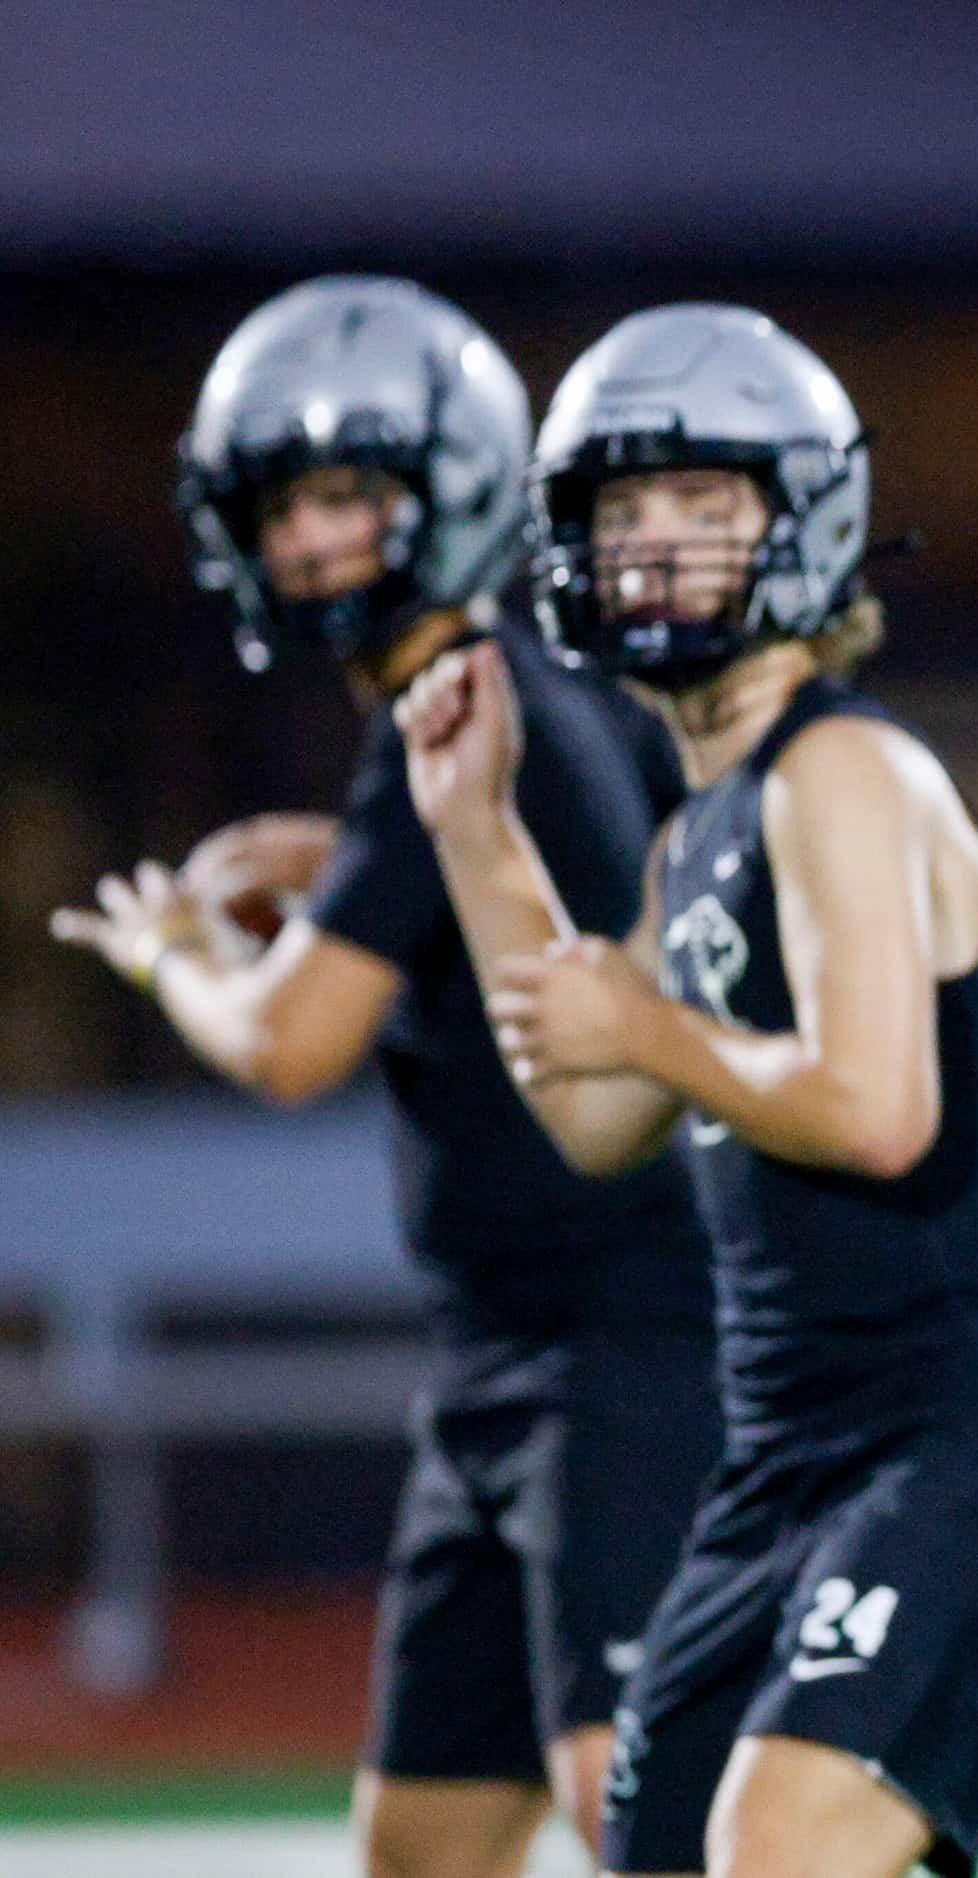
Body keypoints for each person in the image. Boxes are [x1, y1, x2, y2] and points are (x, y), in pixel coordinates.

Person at [397, 303, 978, 1878]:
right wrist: (475, 838)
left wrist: (646, 1024)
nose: (655, 548)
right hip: (791, 1445)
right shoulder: (698, 829)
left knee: (778, 1844)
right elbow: (597, 1114)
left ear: (802, 527)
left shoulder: (839, 770)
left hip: (963, 1421)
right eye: (623, 514)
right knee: (656, 1849)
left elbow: (877, 1108)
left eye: (705, 508)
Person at [48, 276, 721, 1878]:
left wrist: (172, 957)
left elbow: (289, 1043)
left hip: (614, 1343)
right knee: (423, 1840)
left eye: (350, 494)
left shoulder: (458, 708)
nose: (309, 541)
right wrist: (353, 868)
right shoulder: (514, 687)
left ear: (456, 483)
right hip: (515, 1355)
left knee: (640, 1808)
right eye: (285, 503)